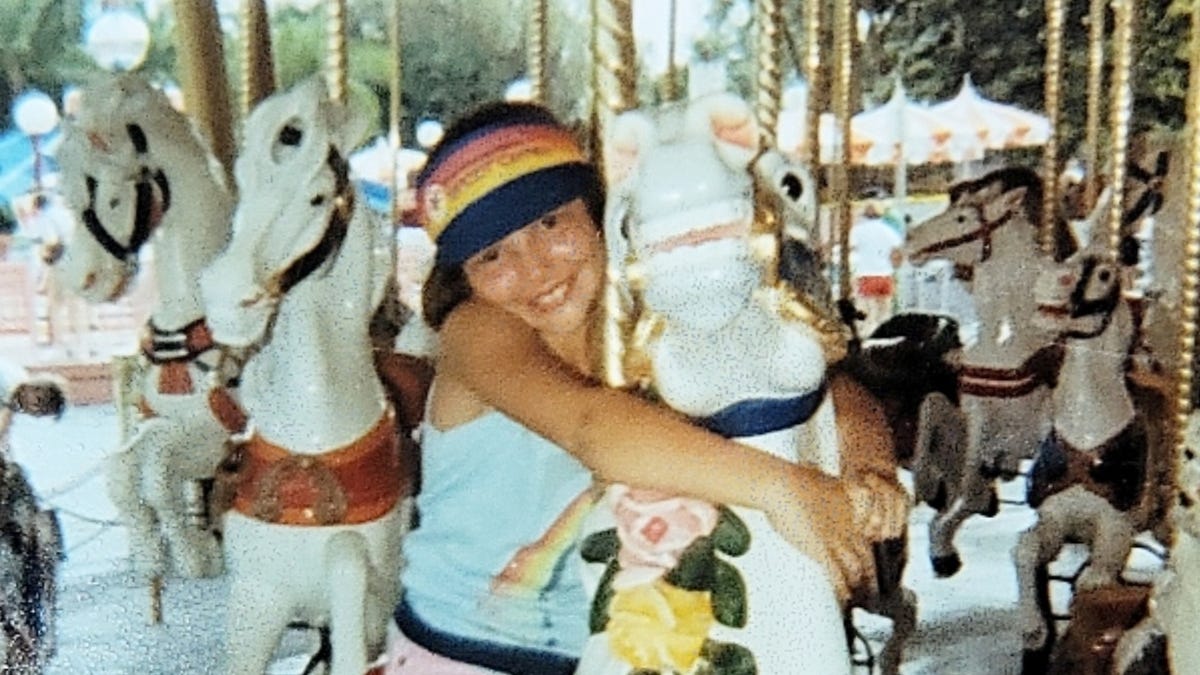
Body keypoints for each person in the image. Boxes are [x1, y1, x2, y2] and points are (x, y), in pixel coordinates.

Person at [374, 102, 907, 674]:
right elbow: (589, 425)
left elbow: (821, 385)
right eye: (492, 254)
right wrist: (784, 490)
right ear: (463, 276)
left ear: (598, 213)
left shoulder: (651, 320)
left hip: (627, 645)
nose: (534, 269)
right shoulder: (479, 331)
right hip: (464, 655)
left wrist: (866, 465)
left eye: (550, 223)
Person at [849, 198, 903, 336]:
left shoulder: (858, 230)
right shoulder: (889, 231)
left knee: (867, 315)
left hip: (865, 275)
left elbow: (850, 247)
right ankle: (886, 336)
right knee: (884, 313)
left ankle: (867, 338)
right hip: (885, 275)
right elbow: (898, 251)